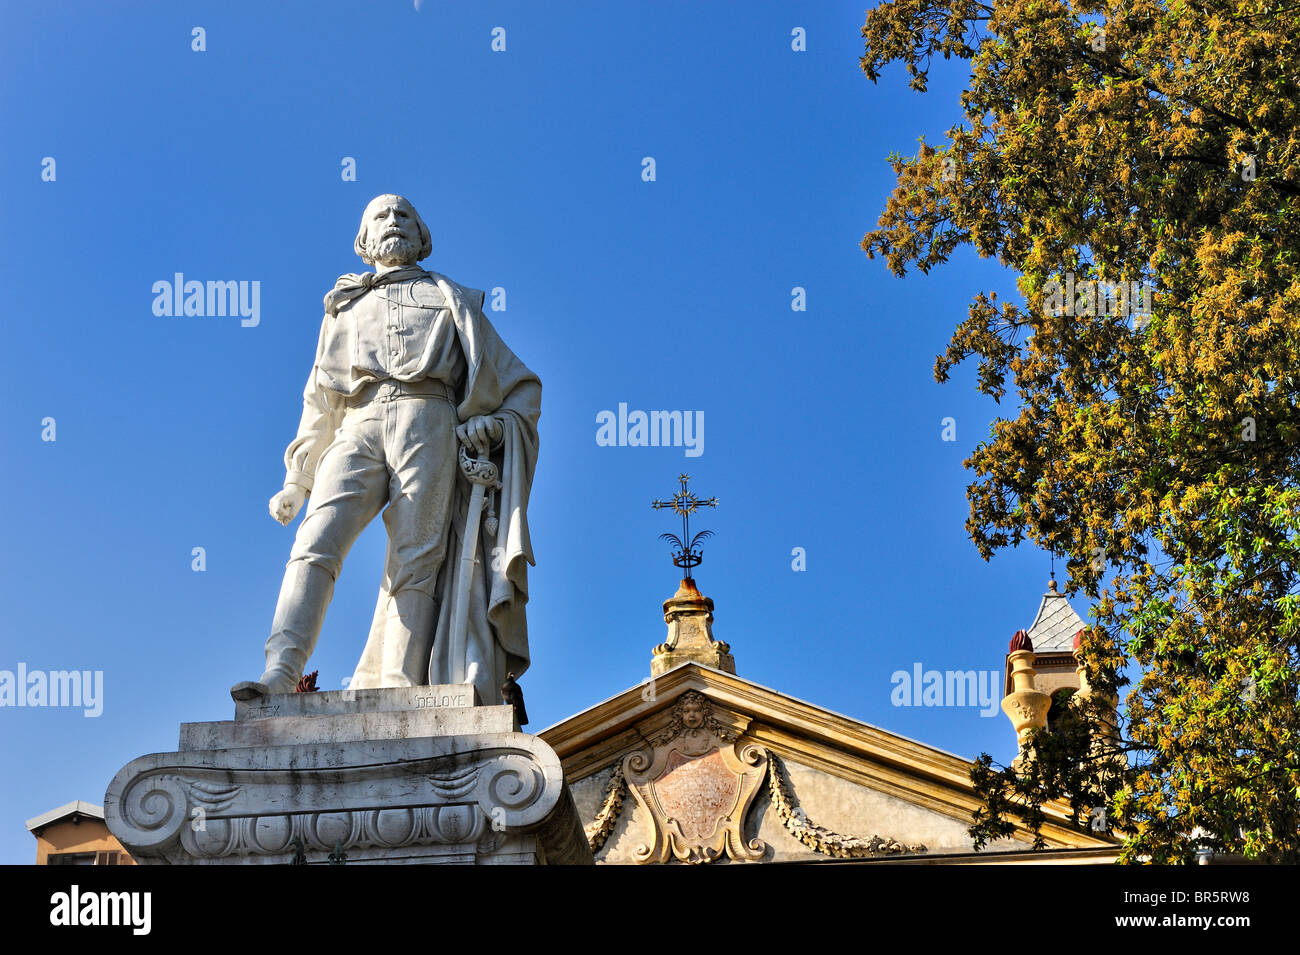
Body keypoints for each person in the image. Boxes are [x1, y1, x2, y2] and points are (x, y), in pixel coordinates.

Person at [230, 194, 541, 707]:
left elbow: (523, 384)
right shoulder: (343, 306)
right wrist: (297, 479)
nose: (393, 222)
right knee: (316, 541)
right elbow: (320, 397)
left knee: (418, 556)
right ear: (364, 239)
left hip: (431, 417)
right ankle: (279, 674)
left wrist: (492, 422)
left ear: (421, 237)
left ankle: (398, 682)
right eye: (381, 216)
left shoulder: (455, 299)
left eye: (404, 216)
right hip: (358, 419)